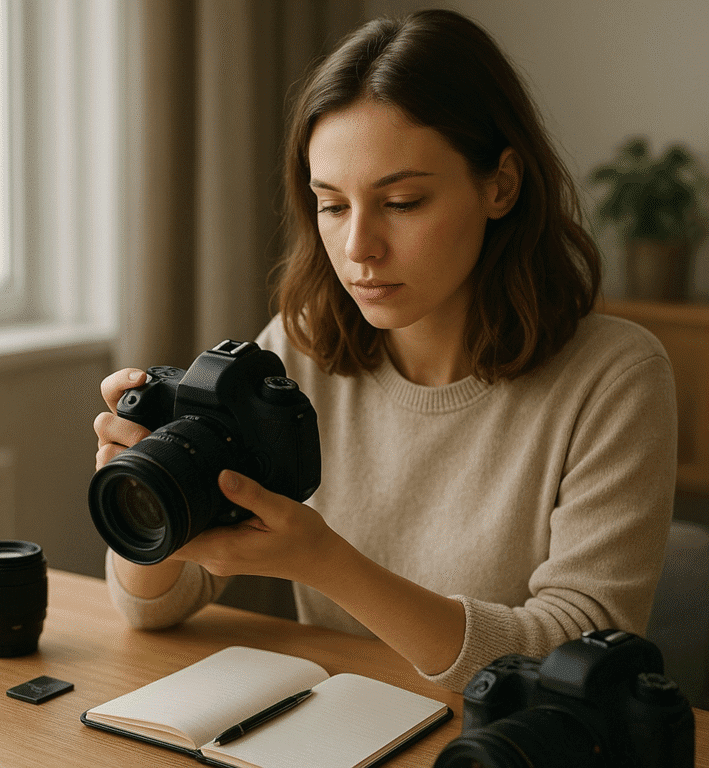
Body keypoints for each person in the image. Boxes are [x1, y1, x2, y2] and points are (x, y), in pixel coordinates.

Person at [94, 9, 677, 692]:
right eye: (332, 205)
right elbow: (149, 608)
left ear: (501, 185)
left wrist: (326, 563)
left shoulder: (616, 378)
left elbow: (575, 658)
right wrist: (148, 483)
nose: (358, 249)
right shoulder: (301, 344)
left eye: (400, 202)